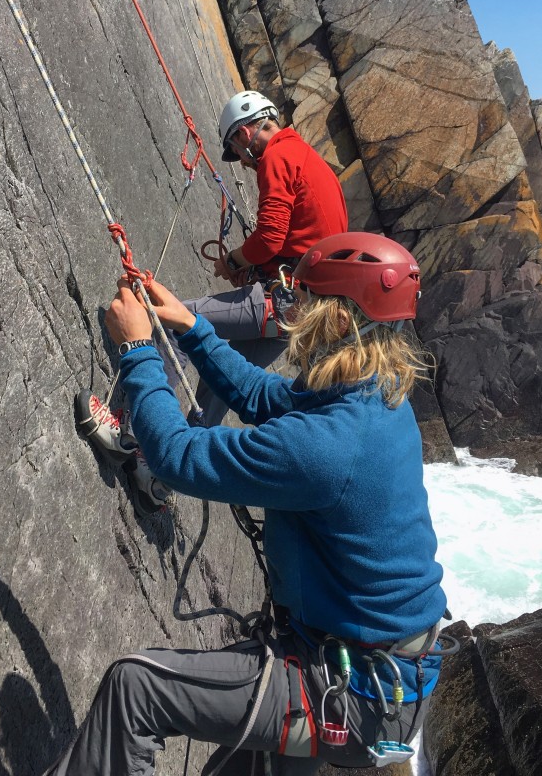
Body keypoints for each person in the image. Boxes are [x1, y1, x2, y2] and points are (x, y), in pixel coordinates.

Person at [46, 232, 448, 775]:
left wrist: (138, 352)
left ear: (336, 321)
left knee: (135, 687)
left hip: (346, 689)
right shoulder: (377, 396)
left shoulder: (329, 446)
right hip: (376, 683)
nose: (290, 308)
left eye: (302, 297)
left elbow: (176, 455)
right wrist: (192, 330)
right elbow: (265, 398)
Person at [78, 90, 348, 513]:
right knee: (220, 385)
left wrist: (235, 261)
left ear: (245, 132)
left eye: (237, 151)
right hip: (301, 311)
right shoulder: (314, 163)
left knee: (174, 322)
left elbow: (272, 236)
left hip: (282, 300)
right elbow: (307, 241)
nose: (243, 161)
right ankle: (160, 480)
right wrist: (260, 268)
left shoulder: (278, 156)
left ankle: (130, 434)